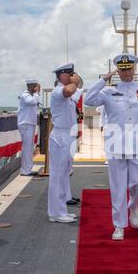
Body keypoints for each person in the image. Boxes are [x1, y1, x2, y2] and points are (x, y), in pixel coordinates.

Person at [84, 53, 138, 241]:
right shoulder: (108, 92)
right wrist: (103, 80)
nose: (126, 72)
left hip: (137, 145)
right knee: (118, 186)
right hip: (116, 145)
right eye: (122, 69)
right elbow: (88, 100)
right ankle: (119, 225)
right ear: (117, 71)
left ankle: (133, 205)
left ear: (134, 69)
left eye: (129, 68)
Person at [47, 63, 80, 223]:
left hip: (68, 135)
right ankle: (56, 213)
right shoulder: (58, 90)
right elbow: (69, 91)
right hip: (60, 135)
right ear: (62, 75)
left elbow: (76, 92)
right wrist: (75, 82)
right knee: (57, 176)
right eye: (70, 74)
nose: (73, 76)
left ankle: (61, 210)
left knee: (63, 174)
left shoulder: (69, 91)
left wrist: (77, 83)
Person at [18, 79, 41, 176]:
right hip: (26, 124)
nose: (37, 89)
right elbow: (31, 101)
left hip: (29, 123)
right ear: (32, 86)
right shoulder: (25, 95)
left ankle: (28, 168)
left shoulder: (31, 95)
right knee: (27, 147)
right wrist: (38, 93)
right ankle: (25, 170)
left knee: (29, 147)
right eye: (36, 86)